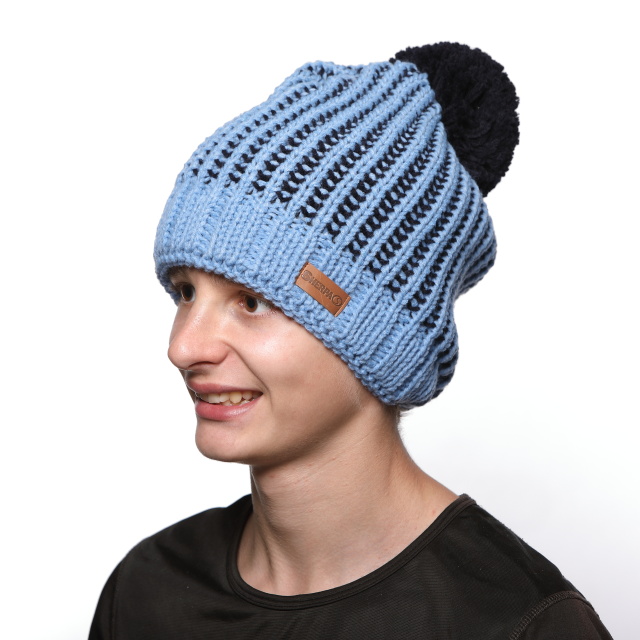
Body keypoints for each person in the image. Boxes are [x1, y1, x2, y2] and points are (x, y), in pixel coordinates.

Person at [89, 43, 613, 639]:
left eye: (252, 301)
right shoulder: (148, 591)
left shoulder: (517, 623)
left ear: (377, 338)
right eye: (186, 292)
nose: (184, 347)